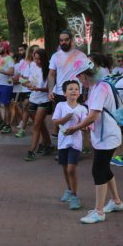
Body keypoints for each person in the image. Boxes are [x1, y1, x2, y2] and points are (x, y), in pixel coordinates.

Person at [64, 59, 123, 224]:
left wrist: (76, 128)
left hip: (107, 137)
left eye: (79, 78)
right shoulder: (99, 86)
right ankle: (116, 201)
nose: (79, 81)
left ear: (84, 75)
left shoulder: (99, 88)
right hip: (105, 135)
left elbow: (93, 115)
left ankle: (99, 211)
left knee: (98, 171)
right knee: (104, 169)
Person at [52, 80, 87, 210]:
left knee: (71, 169)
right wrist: (66, 119)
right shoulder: (60, 105)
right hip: (62, 142)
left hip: (75, 143)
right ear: (64, 93)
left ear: (79, 92)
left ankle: (74, 196)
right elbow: (55, 122)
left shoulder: (82, 109)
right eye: (70, 89)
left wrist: (79, 128)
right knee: (65, 168)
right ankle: (69, 189)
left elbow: (85, 126)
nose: (73, 91)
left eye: (76, 89)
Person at [48, 30, 88, 137]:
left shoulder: (80, 55)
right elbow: (51, 74)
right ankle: (63, 145)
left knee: (77, 119)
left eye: (66, 40)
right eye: (61, 40)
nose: (63, 42)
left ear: (71, 40)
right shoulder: (55, 56)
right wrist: (50, 90)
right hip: (60, 93)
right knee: (60, 120)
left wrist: (85, 91)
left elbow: (88, 73)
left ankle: (78, 144)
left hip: (75, 92)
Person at [24, 49, 55, 161]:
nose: (37, 61)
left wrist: (38, 88)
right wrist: (27, 84)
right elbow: (30, 80)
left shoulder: (49, 70)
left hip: (43, 101)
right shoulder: (33, 66)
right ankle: (49, 145)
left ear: (44, 59)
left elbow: (50, 88)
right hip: (33, 99)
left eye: (39, 59)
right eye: (35, 58)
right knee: (40, 125)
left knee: (36, 126)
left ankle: (31, 151)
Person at [0, 41, 15, 134]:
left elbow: (12, 72)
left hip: (7, 85)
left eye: (0, 47)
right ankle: (1, 121)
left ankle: (7, 125)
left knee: (6, 106)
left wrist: (1, 71)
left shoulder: (9, 59)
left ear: (5, 48)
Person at [15, 45, 38, 138]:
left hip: (35, 89)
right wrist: (24, 80)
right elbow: (19, 77)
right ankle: (27, 126)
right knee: (27, 108)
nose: (35, 53)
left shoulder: (38, 63)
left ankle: (25, 127)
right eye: (34, 51)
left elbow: (39, 78)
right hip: (25, 89)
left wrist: (31, 80)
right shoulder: (23, 62)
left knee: (27, 105)